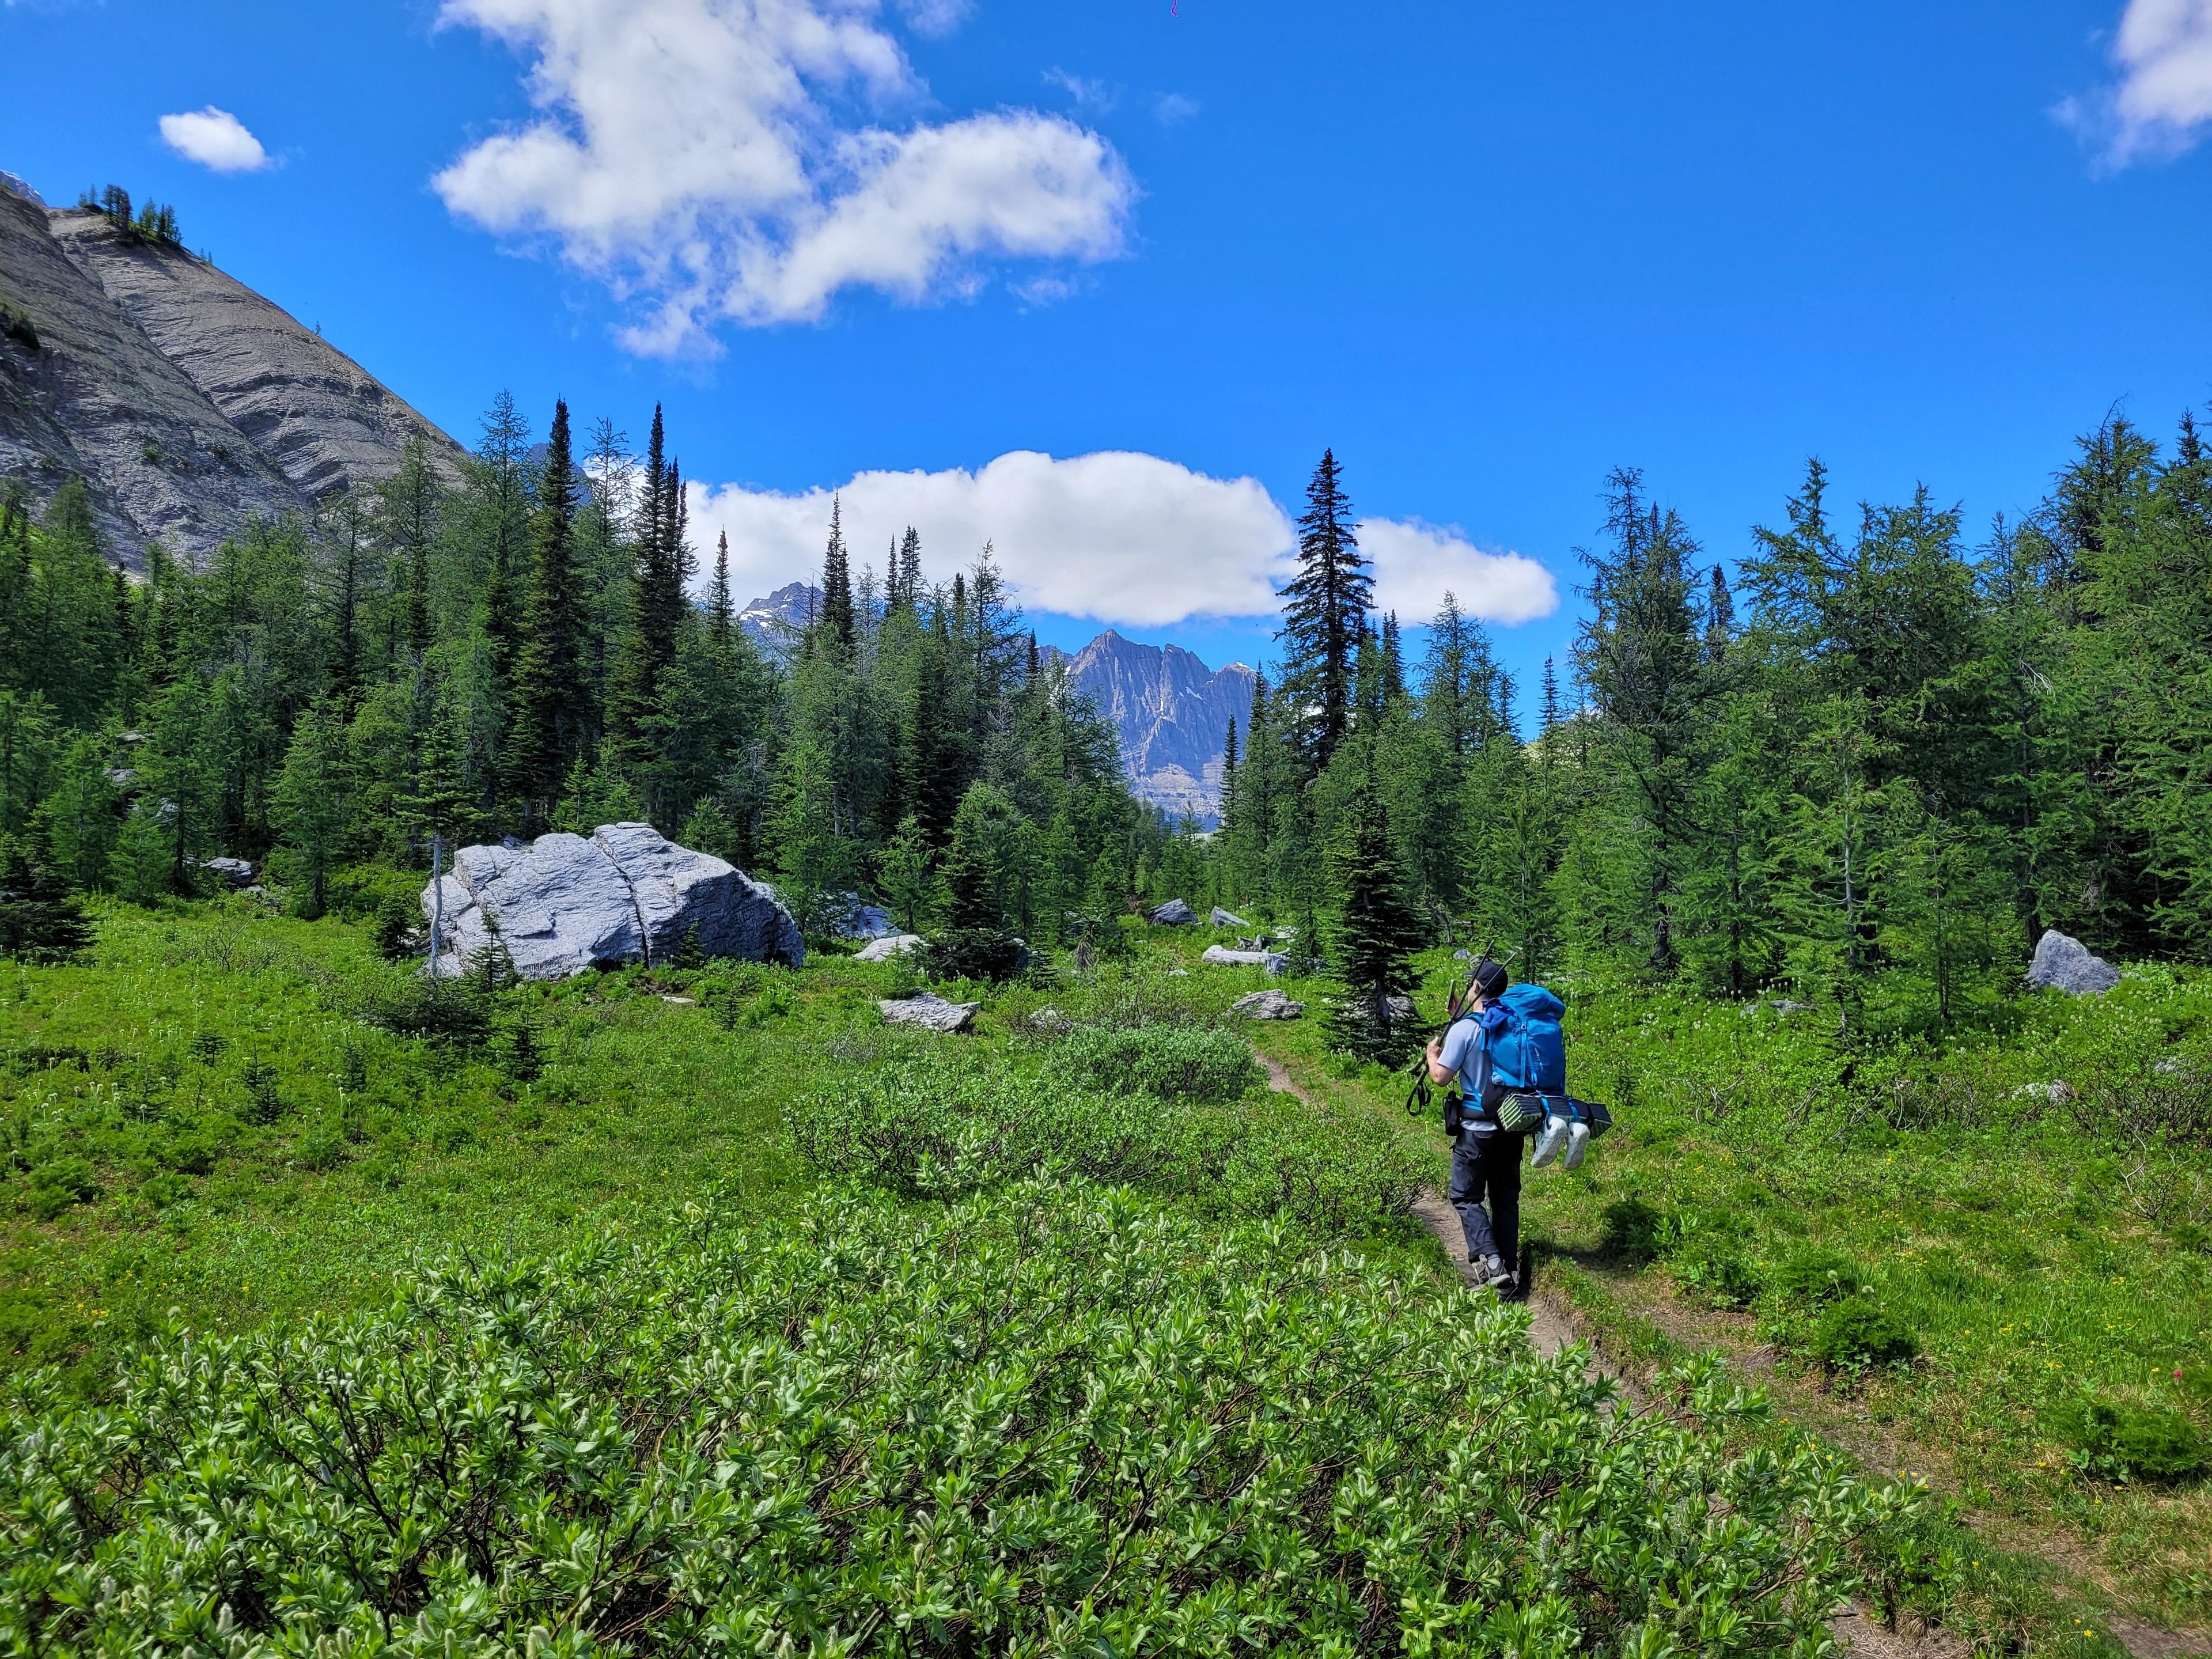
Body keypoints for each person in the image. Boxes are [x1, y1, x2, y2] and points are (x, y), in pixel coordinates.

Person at [1425, 957, 1527, 1296]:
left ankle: (1493, 1264)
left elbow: (1441, 1077)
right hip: (1513, 1126)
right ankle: (1508, 1269)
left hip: (1476, 1130)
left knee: (1466, 1196)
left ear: (1478, 988)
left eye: (1472, 984)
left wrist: (1430, 1056)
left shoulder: (1465, 1029)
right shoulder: (1515, 1025)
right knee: (1505, 1198)